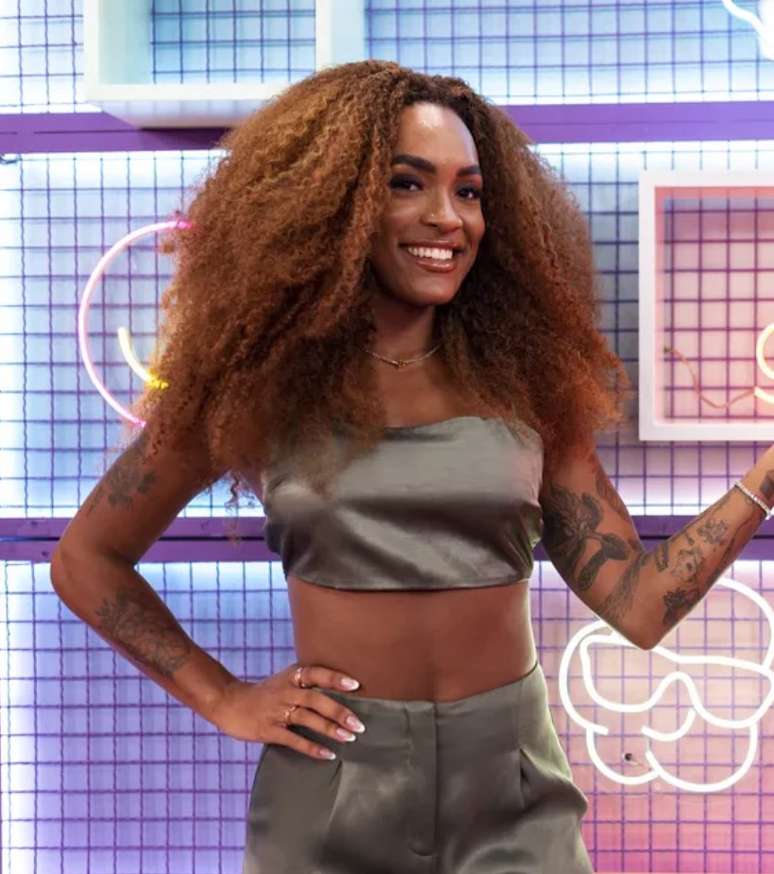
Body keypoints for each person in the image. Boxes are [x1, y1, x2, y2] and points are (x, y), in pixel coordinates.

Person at [50, 60, 774, 873]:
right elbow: (87, 559)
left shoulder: (525, 385)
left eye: (469, 191)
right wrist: (223, 698)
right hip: (333, 787)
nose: (448, 218)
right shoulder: (257, 385)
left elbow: (640, 605)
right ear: (332, 202)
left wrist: (766, 478)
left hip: (513, 786)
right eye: (407, 183)